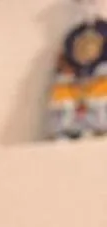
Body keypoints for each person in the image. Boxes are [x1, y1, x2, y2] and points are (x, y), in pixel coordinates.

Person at [47, 1, 107, 140]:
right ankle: (67, 128)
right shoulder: (73, 35)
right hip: (76, 84)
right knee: (64, 84)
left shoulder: (104, 29)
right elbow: (67, 58)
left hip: (100, 80)